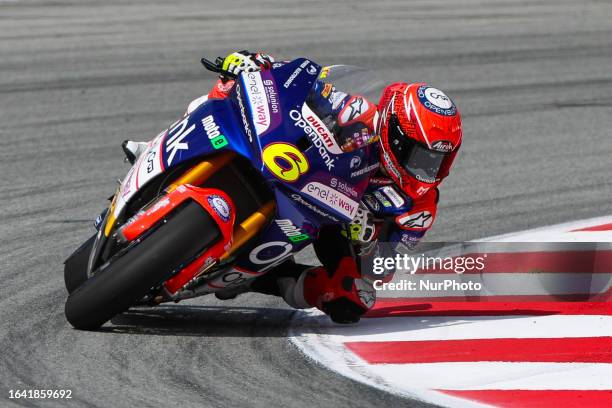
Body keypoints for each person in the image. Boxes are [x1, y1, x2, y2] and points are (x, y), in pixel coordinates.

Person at [124, 50, 462, 323]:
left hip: (331, 229)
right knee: (228, 87)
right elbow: (299, 90)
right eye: (421, 157)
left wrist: (368, 238)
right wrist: (259, 66)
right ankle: (157, 148)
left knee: (351, 298)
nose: (427, 170)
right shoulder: (358, 114)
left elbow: (382, 270)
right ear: (394, 133)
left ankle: (255, 277)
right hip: (298, 174)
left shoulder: (418, 207)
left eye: (437, 161)